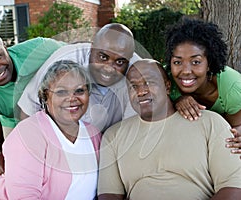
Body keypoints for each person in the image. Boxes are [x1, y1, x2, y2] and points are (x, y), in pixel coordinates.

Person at [97, 59, 241, 200]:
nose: (140, 92)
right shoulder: (113, 136)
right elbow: (109, 194)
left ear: (167, 86)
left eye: (149, 83)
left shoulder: (211, 122)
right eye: (133, 86)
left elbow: (233, 187)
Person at [0, 60, 101, 199]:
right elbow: (24, 197)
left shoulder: (93, 134)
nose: (72, 98)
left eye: (80, 90)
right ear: (46, 96)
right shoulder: (28, 135)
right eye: (61, 92)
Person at [0, 30, 64, 176]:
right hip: (12, 118)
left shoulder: (40, 49)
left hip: (52, 114)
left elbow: (80, 54)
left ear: (5, 47)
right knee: (17, 165)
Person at [18, 23, 143, 132]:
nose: (109, 68)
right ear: (92, 46)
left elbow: (132, 128)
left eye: (120, 62)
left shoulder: (138, 72)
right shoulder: (64, 61)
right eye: (103, 57)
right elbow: (28, 108)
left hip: (108, 140)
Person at [164, 18, 241, 155]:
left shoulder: (232, 88)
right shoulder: (165, 80)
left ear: (209, 63)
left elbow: (233, 130)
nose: (186, 71)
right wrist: (178, 100)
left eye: (195, 62)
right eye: (177, 62)